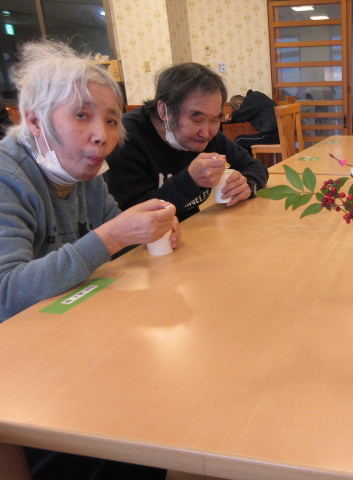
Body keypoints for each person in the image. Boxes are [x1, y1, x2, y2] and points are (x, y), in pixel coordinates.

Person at [0, 39, 174, 479]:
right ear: (35, 120)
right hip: (19, 376)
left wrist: (152, 229)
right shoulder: (8, 177)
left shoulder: (84, 171)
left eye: (112, 120)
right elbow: (6, 295)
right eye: (82, 115)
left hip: (71, 345)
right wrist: (111, 237)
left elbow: (116, 234)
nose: (103, 135)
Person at [105, 64, 269, 221]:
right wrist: (190, 180)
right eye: (196, 119)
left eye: (214, 119)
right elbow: (132, 216)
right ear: (164, 111)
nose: (207, 133)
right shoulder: (123, 138)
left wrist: (247, 185)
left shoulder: (208, 135)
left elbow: (254, 166)